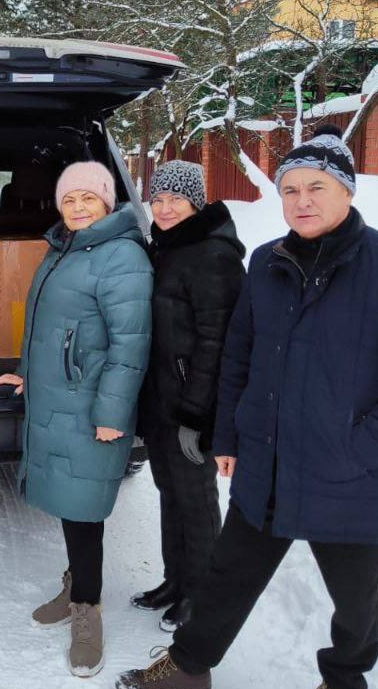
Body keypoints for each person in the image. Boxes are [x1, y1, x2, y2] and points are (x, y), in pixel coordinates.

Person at [116, 125, 378, 689]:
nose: (301, 201)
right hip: (268, 465)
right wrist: (230, 434)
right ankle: (190, 664)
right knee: (227, 575)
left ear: (347, 190)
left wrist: (367, 445)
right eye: (289, 190)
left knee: (355, 602)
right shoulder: (267, 263)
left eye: (316, 187)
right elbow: (239, 356)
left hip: (355, 476)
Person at [0, 161, 152, 677]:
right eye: (70, 199)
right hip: (62, 394)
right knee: (71, 502)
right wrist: (26, 373)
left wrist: (112, 413)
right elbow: (48, 326)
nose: (79, 207)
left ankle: (88, 610)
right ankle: (75, 583)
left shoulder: (121, 256)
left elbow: (130, 345)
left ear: (108, 202)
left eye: (89, 197)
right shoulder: (64, 248)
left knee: (85, 508)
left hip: (91, 405)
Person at [133, 161, 245, 632]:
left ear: (196, 202)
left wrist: (196, 414)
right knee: (169, 493)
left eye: (175, 199)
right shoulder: (167, 248)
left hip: (192, 409)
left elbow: (217, 342)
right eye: (157, 199)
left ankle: (201, 596)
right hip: (163, 401)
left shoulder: (212, 254)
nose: (164, 208)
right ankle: (175, 580)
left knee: (197, 501)